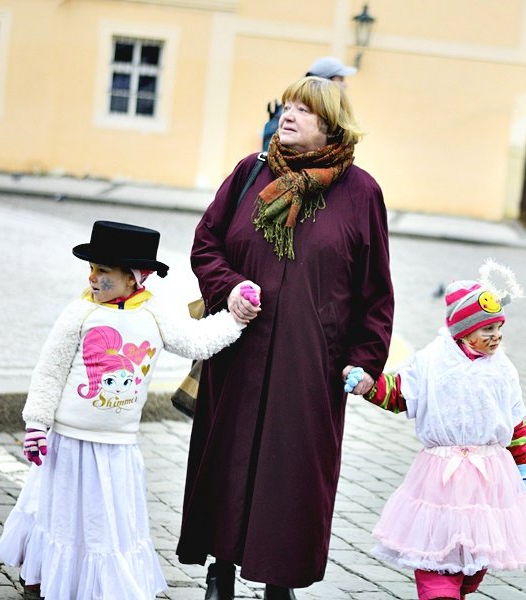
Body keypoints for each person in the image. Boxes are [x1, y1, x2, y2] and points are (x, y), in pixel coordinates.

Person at [177, 76, 394, 600]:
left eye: (305, 110)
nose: (289, 115)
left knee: (294, 475)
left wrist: (365, 362)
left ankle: (281, 582)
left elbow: (375, 290)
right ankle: (220, 571)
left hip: (312, 366)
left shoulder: (361, 193)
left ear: (331, 127)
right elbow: (207, 244)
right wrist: (228, 289)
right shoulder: (250, 174)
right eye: (287, 106)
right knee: (225, 461)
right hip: (239, 353)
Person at [0, 220, 251, 600]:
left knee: (103, 521)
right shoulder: (79, 313)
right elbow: (50, 370)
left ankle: (100, 584)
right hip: (69, 439)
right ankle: (43, 576)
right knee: (60, 514)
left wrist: (236, 317)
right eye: (91, 270)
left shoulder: (155, 315)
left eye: (104, 272)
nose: (93, 279)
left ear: (134, 277)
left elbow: (198, 342)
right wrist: (36, 423)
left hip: (116, 446)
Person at [343, 260, 526, 600]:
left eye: (499, 329)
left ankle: (463, 586)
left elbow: (515, 422)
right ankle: (440, 591)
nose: (496, 337)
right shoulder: (431, 363)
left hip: (490, 477)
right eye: (487, 330)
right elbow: (401, 394)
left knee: (478, 554)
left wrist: (522, 467)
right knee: (437, 552)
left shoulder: (503, 371)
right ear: (464, 332)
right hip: (440, 476)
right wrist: (369, 385)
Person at [262, 56, 357, 149]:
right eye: (340, 80)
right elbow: (271, 155)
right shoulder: (284, 120)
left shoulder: (341, 155)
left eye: (302, 110)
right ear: (326, 81)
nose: (345, 85)